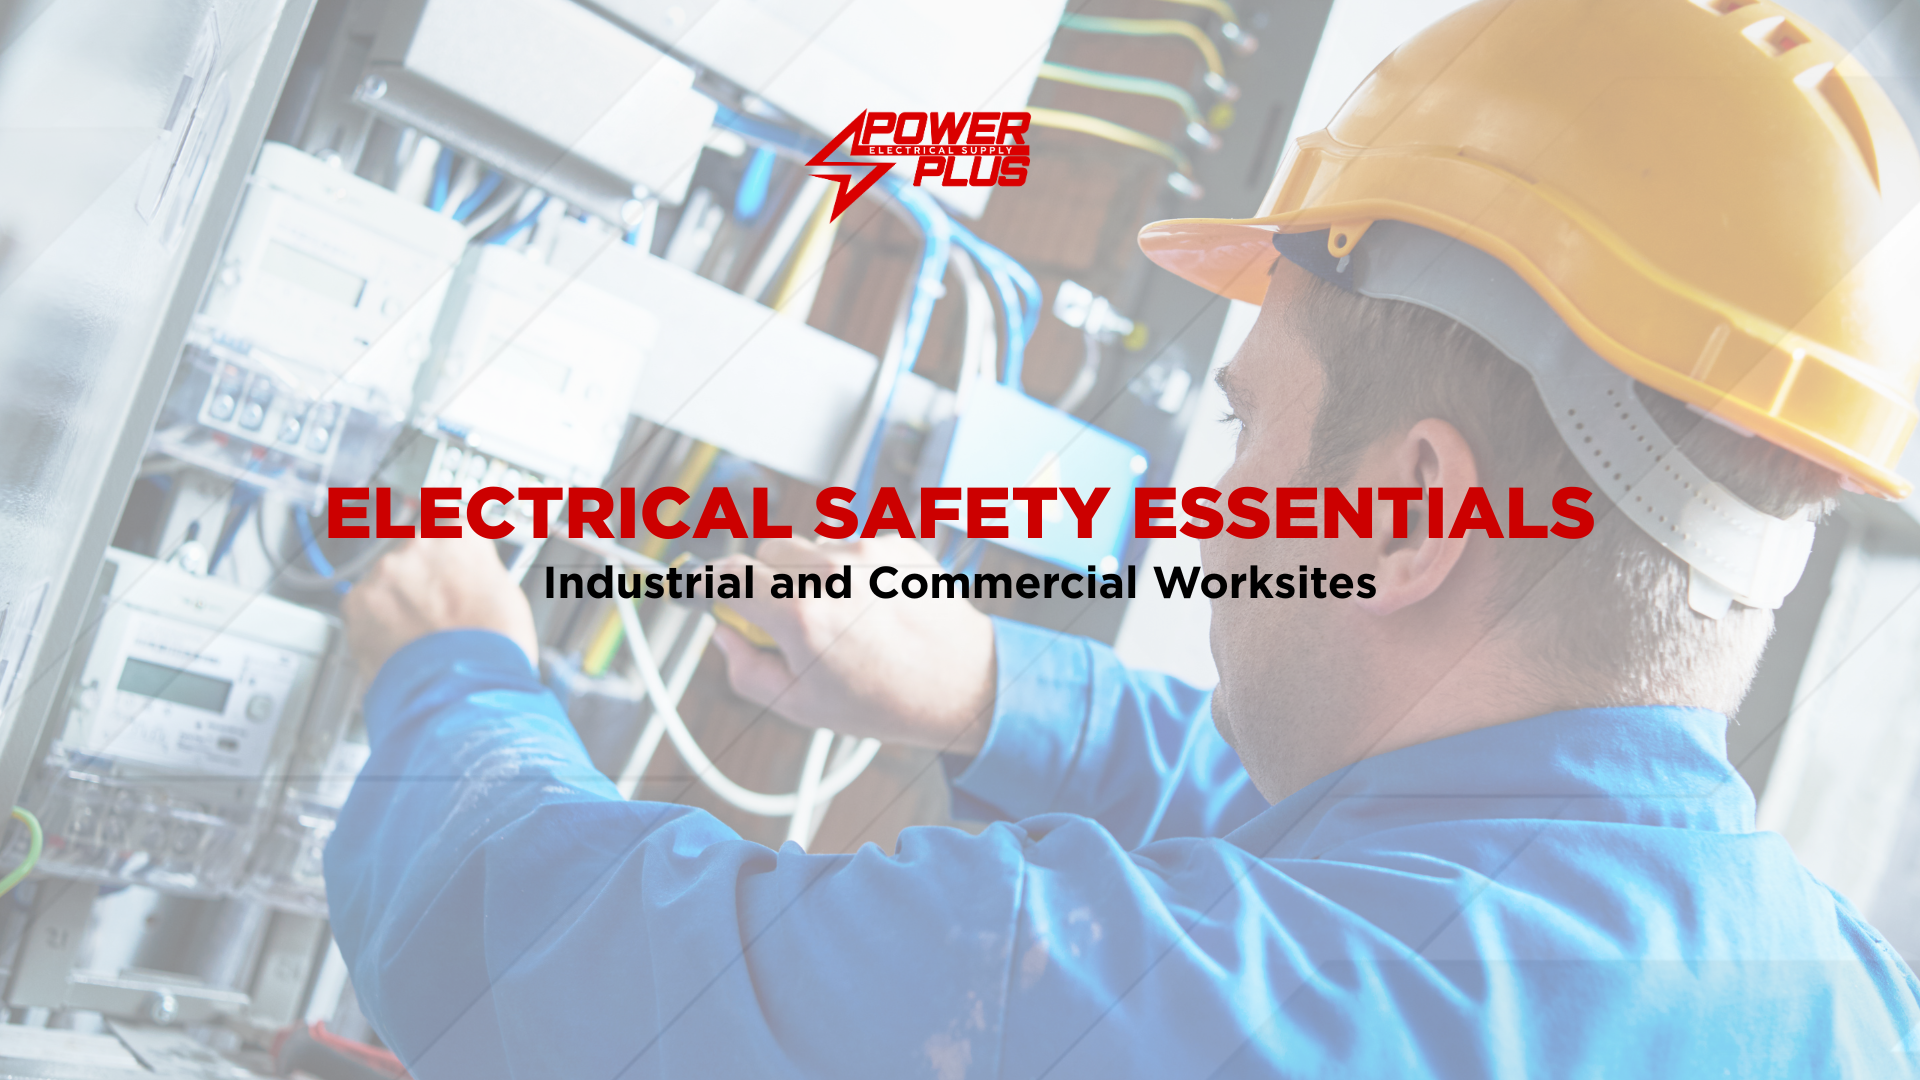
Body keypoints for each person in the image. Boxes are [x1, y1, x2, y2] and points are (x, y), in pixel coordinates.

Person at [324, 0, 1920, 1075]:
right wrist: (991, 689)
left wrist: (449, 661)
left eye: (1247, 430)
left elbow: (508, 942)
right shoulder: (1847, 1004)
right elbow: (1431, 870)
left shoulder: (1131, 997)